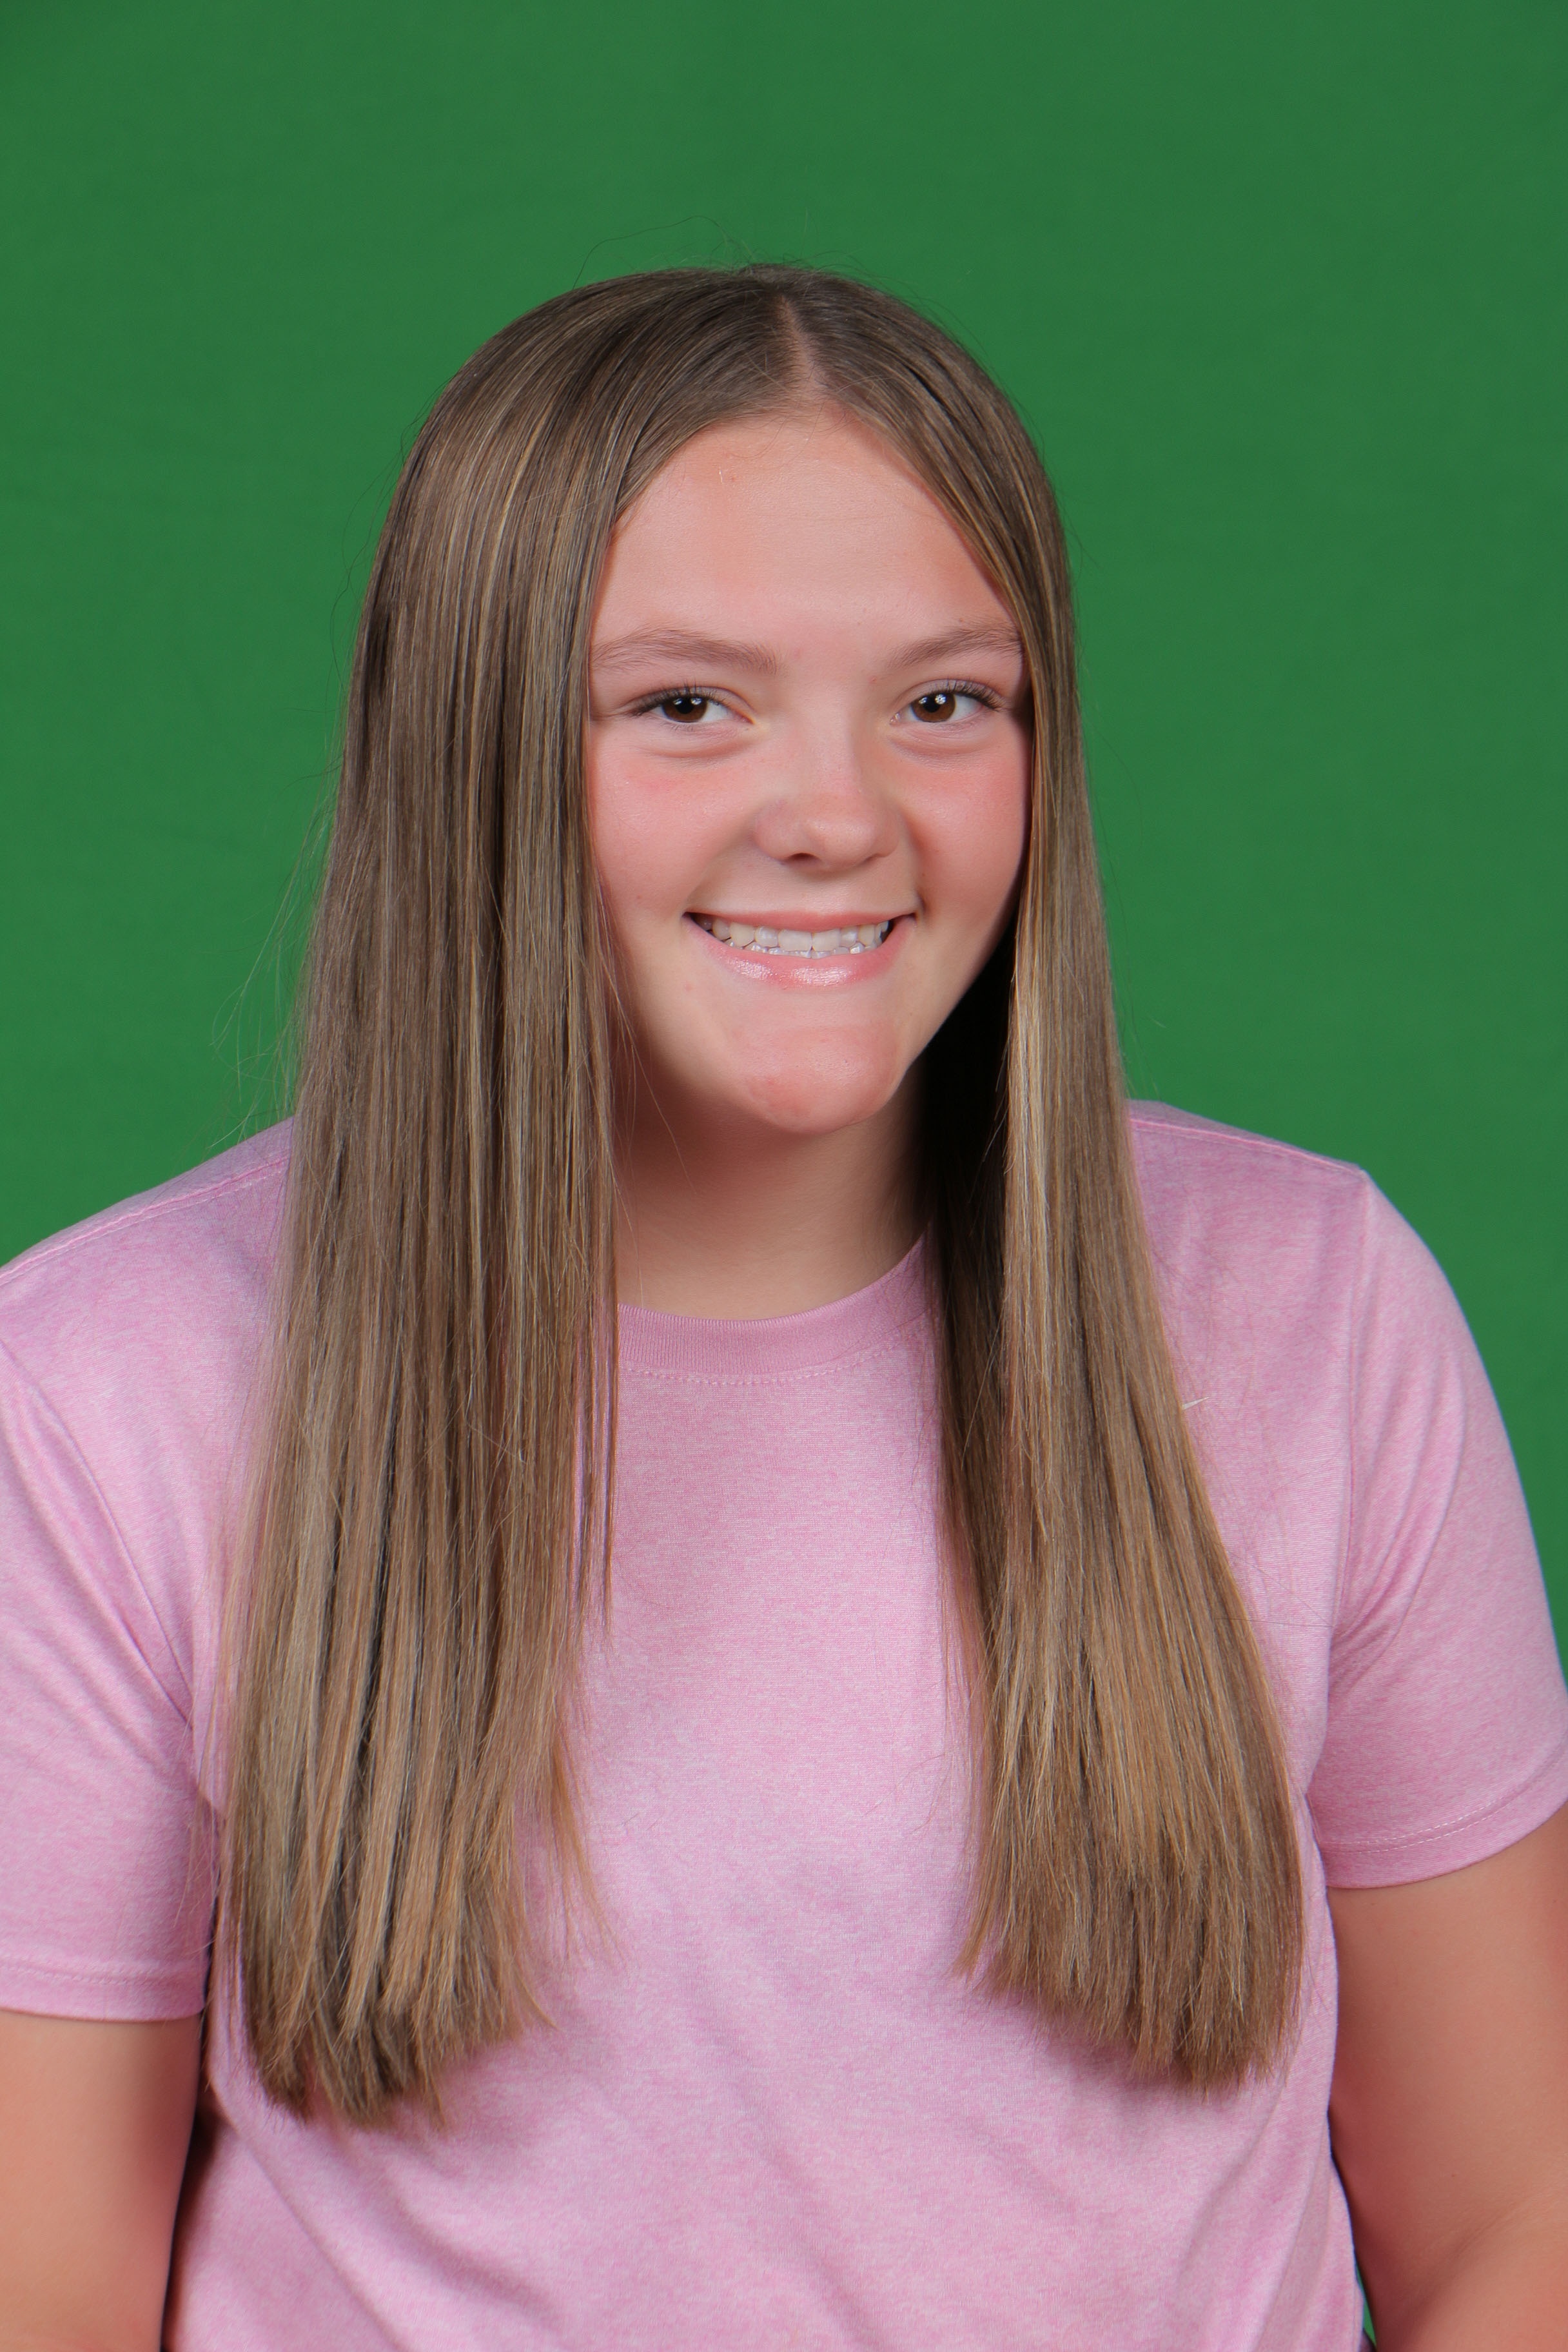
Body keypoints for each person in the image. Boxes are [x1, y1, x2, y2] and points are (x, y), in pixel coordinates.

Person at [0, 265, 1564, 2352]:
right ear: (476, 750)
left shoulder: (1321, 1314)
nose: (836, 814)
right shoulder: (105, 1392)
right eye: (686, 706)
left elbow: (1514, 2225)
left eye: (946, 703)